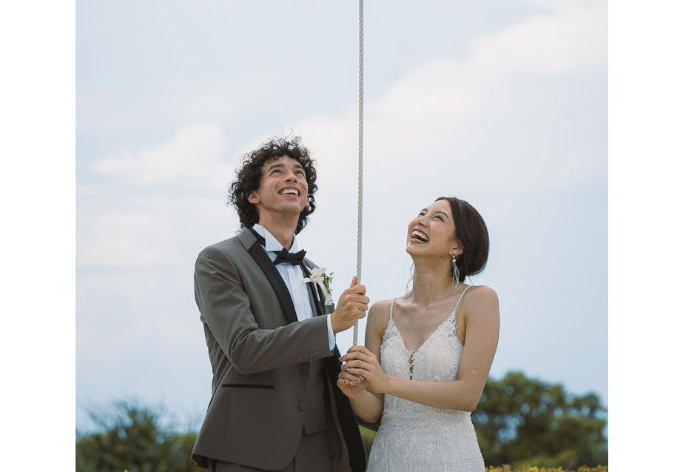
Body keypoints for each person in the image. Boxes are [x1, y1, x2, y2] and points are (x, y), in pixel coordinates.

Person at [192, 136, 370, 472]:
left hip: (317, 450)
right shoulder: (219, 260)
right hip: (247, 446)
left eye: (299, 173)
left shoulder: (314, 271)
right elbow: (244, 349)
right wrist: (331, 324)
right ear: (253, 195)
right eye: (277, 171)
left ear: (306, 197)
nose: (292, 177)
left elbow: (316, 359)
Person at [336, 196, 499, 472]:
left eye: (437, 218)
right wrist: (356, 392)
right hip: (388, 460)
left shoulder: (479, 300)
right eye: (422, 213)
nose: (420, 220)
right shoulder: (380, 313)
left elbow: (468, 396)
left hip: (452, 461)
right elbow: (374, 411)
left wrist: (386, 382)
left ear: (457, 246)